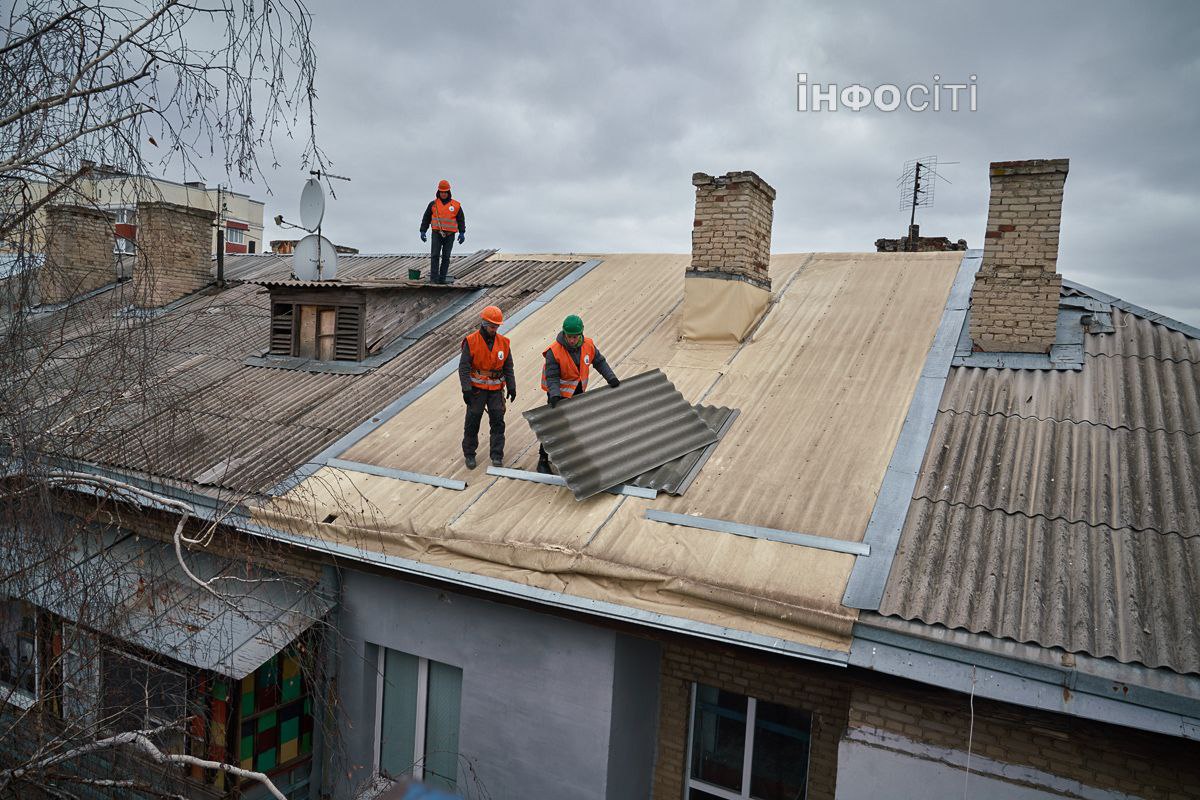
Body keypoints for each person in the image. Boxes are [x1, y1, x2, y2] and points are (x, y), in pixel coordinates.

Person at [537, 314, 619, 473]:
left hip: (578, 390)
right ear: (564, 334)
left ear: (581, 334)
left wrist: (611, 378)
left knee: (576, 425)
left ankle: (573, 459)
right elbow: (552, 376)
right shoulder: (554, 351)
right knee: (553, 425)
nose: (572, 340)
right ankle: (542, 460)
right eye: (569, 337)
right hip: (557, 393)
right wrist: (554, 394)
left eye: (575, 337)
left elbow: (600, 362)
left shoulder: (588, 345)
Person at [460, 305, 515, 469]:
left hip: (496, 391)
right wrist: (466, 389)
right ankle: (469, 454)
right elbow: (463, 367)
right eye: (492, 326)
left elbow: (508, 366)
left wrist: (512, 386)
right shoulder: (471, 341)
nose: (494, 329)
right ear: (484, 324)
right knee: (472, 421)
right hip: (476, 390)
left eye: (496, 326)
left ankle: (497, 455)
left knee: (498, 422)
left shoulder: (504, 343)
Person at [419, 179, 465, 284]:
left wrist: (462, 233)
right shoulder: (433, 204)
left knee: (446, 256)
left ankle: (442, 279)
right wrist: (423, 231)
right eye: (441, 192)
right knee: (435, 255)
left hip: (450, 235)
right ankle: (434, 279)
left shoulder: (456, 205)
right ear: (438, 192)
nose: (443, 194)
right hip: (437, 233)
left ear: (448, 192)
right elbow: (426, 218)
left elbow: (461, 219)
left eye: (445, 192)